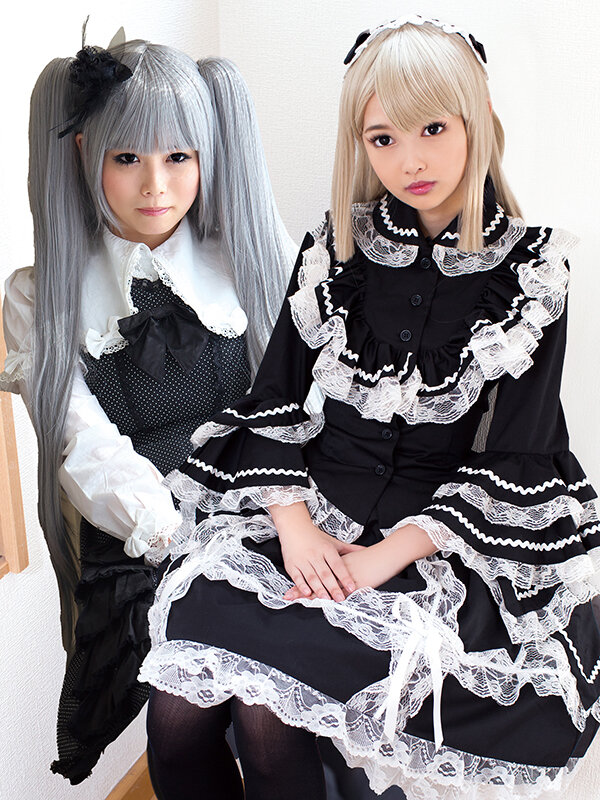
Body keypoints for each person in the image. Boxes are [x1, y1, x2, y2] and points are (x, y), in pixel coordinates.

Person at [140, 14, 600, 800]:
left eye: (432, 129)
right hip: (301, 519)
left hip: (427, 548)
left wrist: (379, 560)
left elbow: (519, 453)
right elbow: (272, 399)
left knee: (266, 722)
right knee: (175, 714)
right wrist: (294, 527)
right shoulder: (335, 249)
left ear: (479, 120)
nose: (409, 160)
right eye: (382, 138)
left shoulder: (534, 272)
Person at [0, 33, 296, 784]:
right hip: (147, 541)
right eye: (127, 157)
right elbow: (83, 445)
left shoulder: (248, 261)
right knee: (179, 721)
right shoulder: (41, 300)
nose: (155, 185)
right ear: (83, 154)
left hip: (267, 516)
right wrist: (174, 537)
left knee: (266, 718)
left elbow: (300, 411)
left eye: (179, 157)